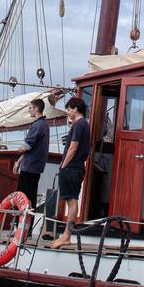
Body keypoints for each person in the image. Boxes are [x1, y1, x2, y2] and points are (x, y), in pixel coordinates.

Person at [51, 97, 90, 249]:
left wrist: (63, 165)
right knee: (71, 200)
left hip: (72, 168)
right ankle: (66, 235)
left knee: (72, 201)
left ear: (75, 109)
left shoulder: (79, 125)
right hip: (76, 167)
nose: (68, 112)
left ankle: (67, 236)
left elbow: (73, 147)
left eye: (69, 109)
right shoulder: (83, 124)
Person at [13, 98, 49, 210]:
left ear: (36, 109)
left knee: (24, 197)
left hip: (29, 168)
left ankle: (21, 225)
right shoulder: (45, 125)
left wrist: (15, 151)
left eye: (30, 108)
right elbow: (31, 148)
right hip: (35, 167)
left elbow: (26, 147)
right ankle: (26, 225)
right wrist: (18, 162)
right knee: (30, 197)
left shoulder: (37, 125)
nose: (29, 110)